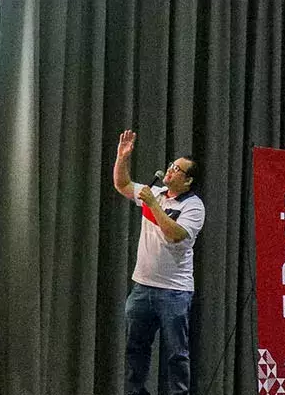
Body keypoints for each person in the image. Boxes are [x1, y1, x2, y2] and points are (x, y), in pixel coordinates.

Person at [113, 129, 205, 395]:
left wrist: (154, 204)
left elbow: (176, 235)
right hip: (142, 287)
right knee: (135, 350)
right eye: (172, 165)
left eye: (178, 169)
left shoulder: (193, 206)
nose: (170, 170)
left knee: (177, 355)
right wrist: (122, 158)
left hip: (174, 292)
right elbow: (122, 184)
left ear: (187, 182)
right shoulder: (156, 192)